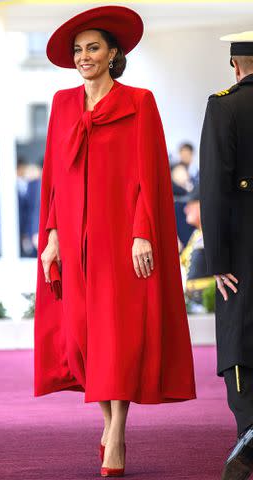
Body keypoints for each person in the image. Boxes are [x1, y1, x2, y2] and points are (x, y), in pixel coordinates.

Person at [34, 6, 196, 478]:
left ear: (112, 54)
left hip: (119, 238)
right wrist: (53, 237)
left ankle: (118, 434)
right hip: (74, 236)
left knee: (117, 337)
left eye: (93, 48)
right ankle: (106, 422)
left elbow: (150, 176)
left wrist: (143, 233)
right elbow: (53, 179)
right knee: (83, 335)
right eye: (79, 50)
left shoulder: (140, 102)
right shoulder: (62, 104)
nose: (84, 56)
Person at [200, 30, 253, 480]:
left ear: (235, 66)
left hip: (243, 249)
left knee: (240, 339)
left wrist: (216, 260)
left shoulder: (225, 105)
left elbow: (214, 189)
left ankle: (250, 432)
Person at [180, 183, 214, 311]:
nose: (186, 209)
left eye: (190, 204)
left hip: (207, 300)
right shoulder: (196, 234)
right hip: (192, 301)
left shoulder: (212, 233)